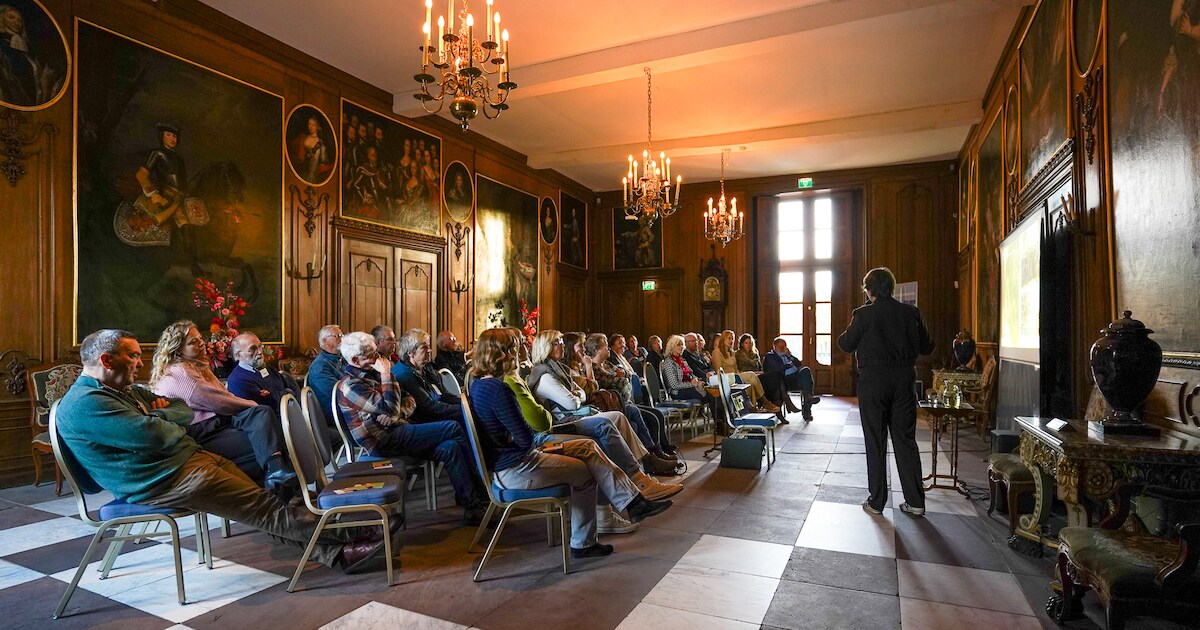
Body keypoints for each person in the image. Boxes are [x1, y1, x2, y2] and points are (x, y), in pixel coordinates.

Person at [57, 329, 393, 574]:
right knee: (263, 507)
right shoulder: (86, 404)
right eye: (132, 355)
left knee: (264, 504)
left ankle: (340, 554)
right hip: (165, 480)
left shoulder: (119, 389)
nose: (139, 360)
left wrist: (160, 416)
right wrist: (159, 418)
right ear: (105, 360)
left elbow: (180, 411)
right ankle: (353, 531)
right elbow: (155, 436)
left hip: (188, 462)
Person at [468, 329, 674, 558]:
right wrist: (520, 429)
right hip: (517, 467)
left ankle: (634, 502)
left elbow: (523, 430)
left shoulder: (478, 384)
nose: (519, 351)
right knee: (586, 472)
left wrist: (516, 431)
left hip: (513, 459)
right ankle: (584, 541)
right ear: (502, 353)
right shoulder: (500, 390)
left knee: (588, 446)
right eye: (515, 347)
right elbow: (529, 435)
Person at [335, 331, 487, 524]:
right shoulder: (351, 385)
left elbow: (409, 399)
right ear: (355, 359)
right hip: (383, 440)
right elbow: (389, 407)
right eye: (372, 355)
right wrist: (386, 375)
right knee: (453, 427)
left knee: (450, 447)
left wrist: (398, 412)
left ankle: (472, 506)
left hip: (398, 429)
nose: (379, 359)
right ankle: (483, 492)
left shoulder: (371, 372)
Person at [149, 321, 297, 495]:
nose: (201, 343)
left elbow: (223, 398)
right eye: (193, 342)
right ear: (178, 349)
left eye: (200, 338)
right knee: (274, 439)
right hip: (200, 433)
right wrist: (253, 404)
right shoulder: (180, 372)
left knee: (262, 416)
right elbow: (220, 401)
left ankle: (277, 480)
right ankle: (276, 492)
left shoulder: (197, 366)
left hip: (217, 423)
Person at [838, 267, 935, 517]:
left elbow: (846, 344)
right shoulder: (910, 312)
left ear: (868, 291)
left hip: (873, 383)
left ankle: (877, 501)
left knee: (875, 441)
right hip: (904, 382)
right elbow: (927, 347)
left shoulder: (862, 314)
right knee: (905, 441)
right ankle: (915, 501)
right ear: (891, 288)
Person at [528, 330, 679, 477]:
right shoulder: (545, 376)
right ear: (545, 347)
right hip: (565, 421)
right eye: (556, 343)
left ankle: (646, 460)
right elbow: (573, 403)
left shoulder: (559, 369)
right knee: (609, 422)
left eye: (561, 342)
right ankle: (634, 471)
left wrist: (578, 394)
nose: (561, 345)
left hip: (577, 413)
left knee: (619, 416)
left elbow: (581, 392)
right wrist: (579, 395)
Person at [390, 328, 462, 424]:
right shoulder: (404, 375)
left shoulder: (426, 367)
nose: (430, 350)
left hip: (438, 413)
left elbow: (444, 394)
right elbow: (429, 407)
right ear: (410, 353)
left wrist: (464, 404)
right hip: (424, 421)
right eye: (424, 348)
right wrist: (463, 410)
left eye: (429, 346)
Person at [0, 4, 63, 107]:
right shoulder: (3, 46)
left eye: (19, 20)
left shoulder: (25, 49)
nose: (17, 22)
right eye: (11, 17)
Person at [225, 331, 300, 414]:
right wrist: (286, 392)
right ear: (239, 355)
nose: (260, 352)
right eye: (252, 349)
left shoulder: (268, 368)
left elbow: (292, 392)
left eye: (260, 346)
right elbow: (269, 407)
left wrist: (278, 394)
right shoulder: (238, 381)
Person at [661, 334, 722, 431]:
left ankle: (722, 422)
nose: (681, 347)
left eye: (682, 345)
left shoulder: (682, 360)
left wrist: (697, 380)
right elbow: (674, 385)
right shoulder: (669, 362)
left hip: (690, 388)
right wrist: (692, 384)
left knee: (716, 392)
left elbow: (691, 373)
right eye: (678, 345)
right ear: (672, 346)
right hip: (678, 392)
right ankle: (719, 426)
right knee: (712, 395)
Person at [710, 330, 780, 414]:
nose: (731, 341)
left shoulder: (731, 352)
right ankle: (765, 402)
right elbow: (718, 370)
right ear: (723, 339)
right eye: (729, 338)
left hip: (735, 375)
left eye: (732, 339)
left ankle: (752, 408)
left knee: (751, 383)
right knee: (751, 375)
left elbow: (736, 368)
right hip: (726, 378)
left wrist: (740, 376)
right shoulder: (717, 352)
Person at [763, 337, 821, 422]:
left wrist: (790, 356)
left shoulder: (787, 355)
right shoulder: (770, 356)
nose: (783, 348)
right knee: (806, 385)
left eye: (785, 346)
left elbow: (799, 364)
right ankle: (807, 408)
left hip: (795, 376)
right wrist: (789, 365)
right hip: (784, 380)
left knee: (806, 371)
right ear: (775, 346)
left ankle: (808, 399)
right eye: (781, 347)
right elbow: (778, 369)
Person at [307, 325, 346, 416]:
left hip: (347, 405)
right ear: (325, 341)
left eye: (342, 336)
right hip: (335, 411)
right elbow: (336, 393)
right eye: (337, 336)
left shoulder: (341, 359)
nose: (342, 339)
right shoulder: (320, 366)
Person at [289, 115, 333, 184]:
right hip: (300, 170)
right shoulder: (303, 138)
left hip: (312, 174)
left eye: (313, 125)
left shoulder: (320, 144)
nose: (311, 127)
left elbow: (324, 161)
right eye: (309, 124)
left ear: (317, 127)